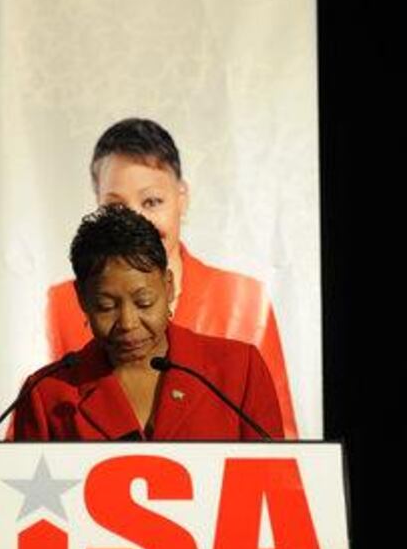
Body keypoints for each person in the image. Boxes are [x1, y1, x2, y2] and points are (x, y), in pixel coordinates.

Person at [47, 118, 298, 438]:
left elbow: (282, 450)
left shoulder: (244, 299)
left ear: (182, 197)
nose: (137, 220)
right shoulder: (62, 303)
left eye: (152, 201)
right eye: (115, 206)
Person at [14, 205, 283, 441]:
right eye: (106, 306)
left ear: (168, 287)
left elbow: (274, 483)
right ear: (82, 299)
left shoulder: (239, 370)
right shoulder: (46, 394)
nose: (128, 323)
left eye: (143, 302)